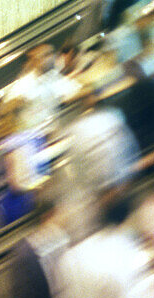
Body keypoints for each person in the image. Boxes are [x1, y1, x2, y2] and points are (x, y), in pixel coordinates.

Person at [59, 92, 140, 242]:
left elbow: (78, 173)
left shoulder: (75, 133)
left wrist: (95, 194)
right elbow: (132, 147)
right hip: (124, 186)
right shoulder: (111, 117)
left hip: (105, 193)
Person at [0, 98, 50, 227]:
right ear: (20, 117)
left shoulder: (11, 142)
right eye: (30, 113)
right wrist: (42, 183)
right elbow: (18, 183)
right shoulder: (17, 143)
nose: (34, 115)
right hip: (21, 206)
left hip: (10, 206)